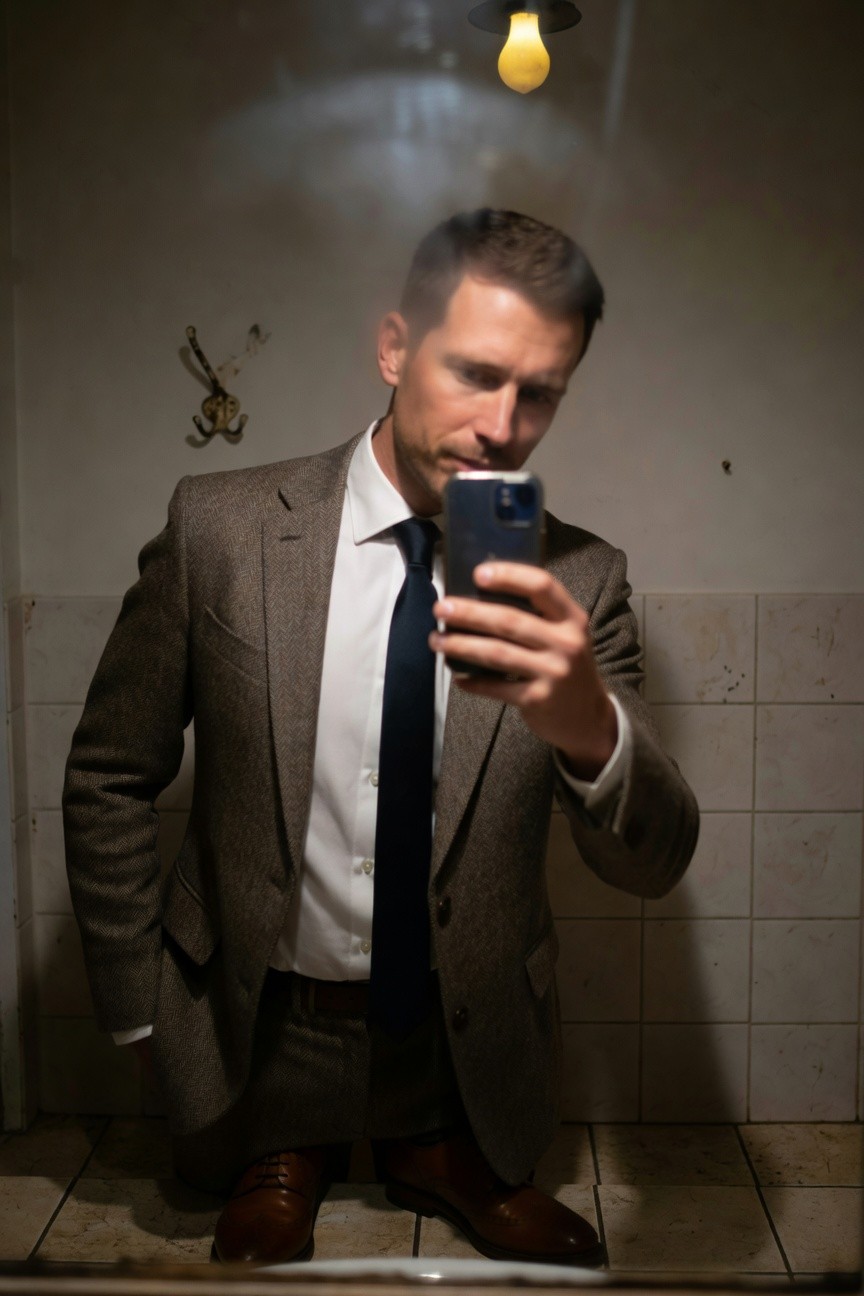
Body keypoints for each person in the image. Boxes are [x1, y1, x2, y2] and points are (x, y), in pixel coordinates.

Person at [63, 209, 699, 1268]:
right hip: (258, 1034)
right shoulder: (219, 531)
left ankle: (436, 1152)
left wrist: (589, 725)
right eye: (475, 373)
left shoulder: (580, 583)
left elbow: (655, 861)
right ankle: (288, 1153)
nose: (502, 425)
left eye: (539, 393)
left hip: (462, 1044)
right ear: (396, 348)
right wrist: (138, 1008)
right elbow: (109, 772)